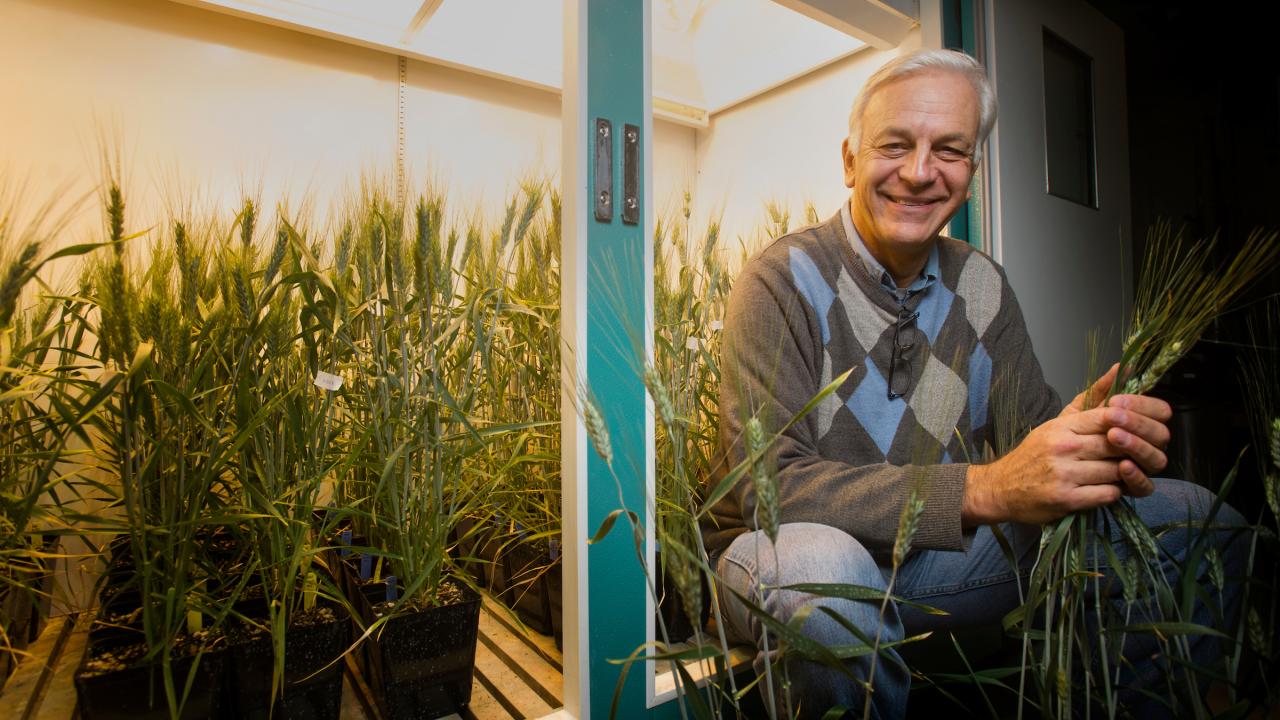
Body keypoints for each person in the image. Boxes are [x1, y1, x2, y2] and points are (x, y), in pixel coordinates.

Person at [702, 48, 1242, 719]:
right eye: (895, 144)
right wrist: (986, 487)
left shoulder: (980, 283)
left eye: (949, 150)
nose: (921, 172)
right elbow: (770, 489)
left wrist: (1087, 438)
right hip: (787, 555)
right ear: (850, 160)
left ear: (972, 173)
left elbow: (1028, 434)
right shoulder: (783, 281)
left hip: (935, 560)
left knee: (1195, 517)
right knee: (831, 582)